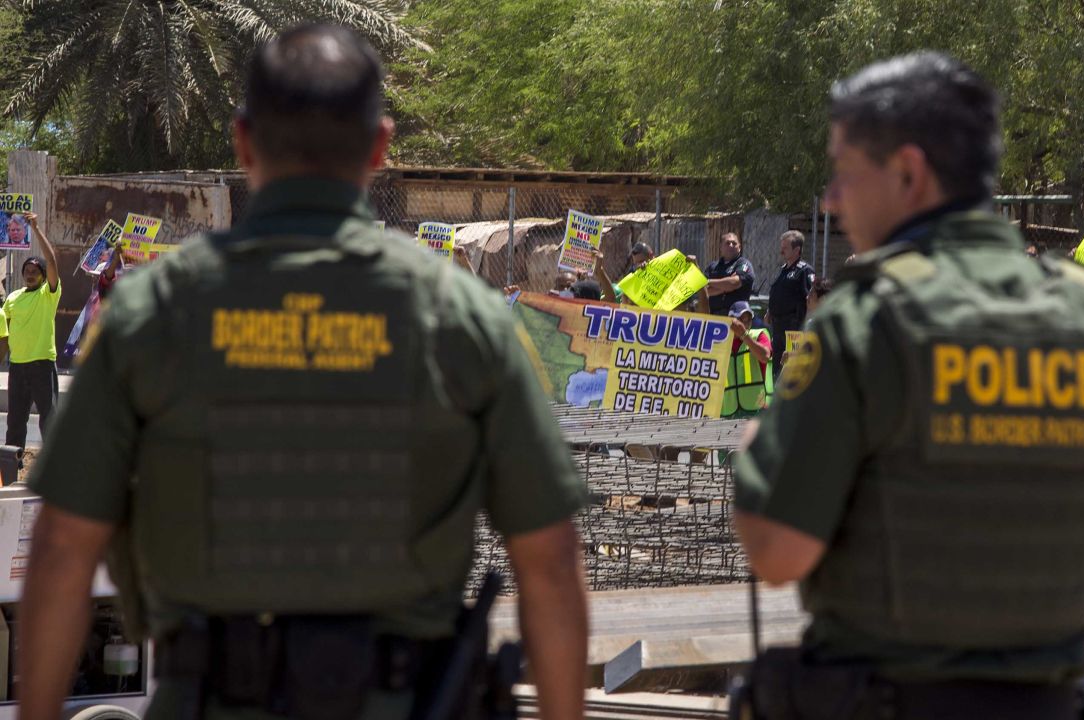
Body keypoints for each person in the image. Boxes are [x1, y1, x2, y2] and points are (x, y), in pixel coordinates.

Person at [20, 25, 588, 720]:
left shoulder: (151, 312)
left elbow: (61, 550)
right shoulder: (464, 318)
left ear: (243, 142)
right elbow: (552, 564)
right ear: (380, 147)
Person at [732, 52, 1084, 720]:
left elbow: (778, 552)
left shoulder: (866, 322)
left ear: (908, 172)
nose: (830, 199)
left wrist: (760, 444)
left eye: (844, 172)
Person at [4, 211, 60, 455]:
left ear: (43, 275)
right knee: (15, 424)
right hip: (17, 367)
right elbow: (3, 334)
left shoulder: (48, 294)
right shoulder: (13, 298)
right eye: (27, 269)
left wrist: (36, 229)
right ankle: (9, 474)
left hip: (42, 365)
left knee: (49, 421)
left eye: (36, 270)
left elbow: (53, 261)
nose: (30, 273)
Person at [765, 230, 816, 377]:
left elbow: (810, 300)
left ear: (797, 250)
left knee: (792, 370)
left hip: (794, 328)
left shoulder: (804, 270)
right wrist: (770, 311)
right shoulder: (783, 270)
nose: (781, 251)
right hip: (778, 327)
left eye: (785, 248)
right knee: (778, 369)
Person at [721, 300, 772, 418]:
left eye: (748, 319)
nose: (745, 323)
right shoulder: (720, 342)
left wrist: (744, 336)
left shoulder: (759, 335)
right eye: (741, 319)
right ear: (731, 320)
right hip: (728, 412)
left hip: (755, 410)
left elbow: (765, 356)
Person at [704, 232, 755, 315]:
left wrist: (708, 282)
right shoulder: (712, 267)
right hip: (712, 316)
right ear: (721, 247)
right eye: (727, 243)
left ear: (739, 247)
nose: (731, 245)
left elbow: (733, 283)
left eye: (734, 243)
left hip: (735, 317)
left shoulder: (743, 264)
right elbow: (703, 290)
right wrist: (725, 287)